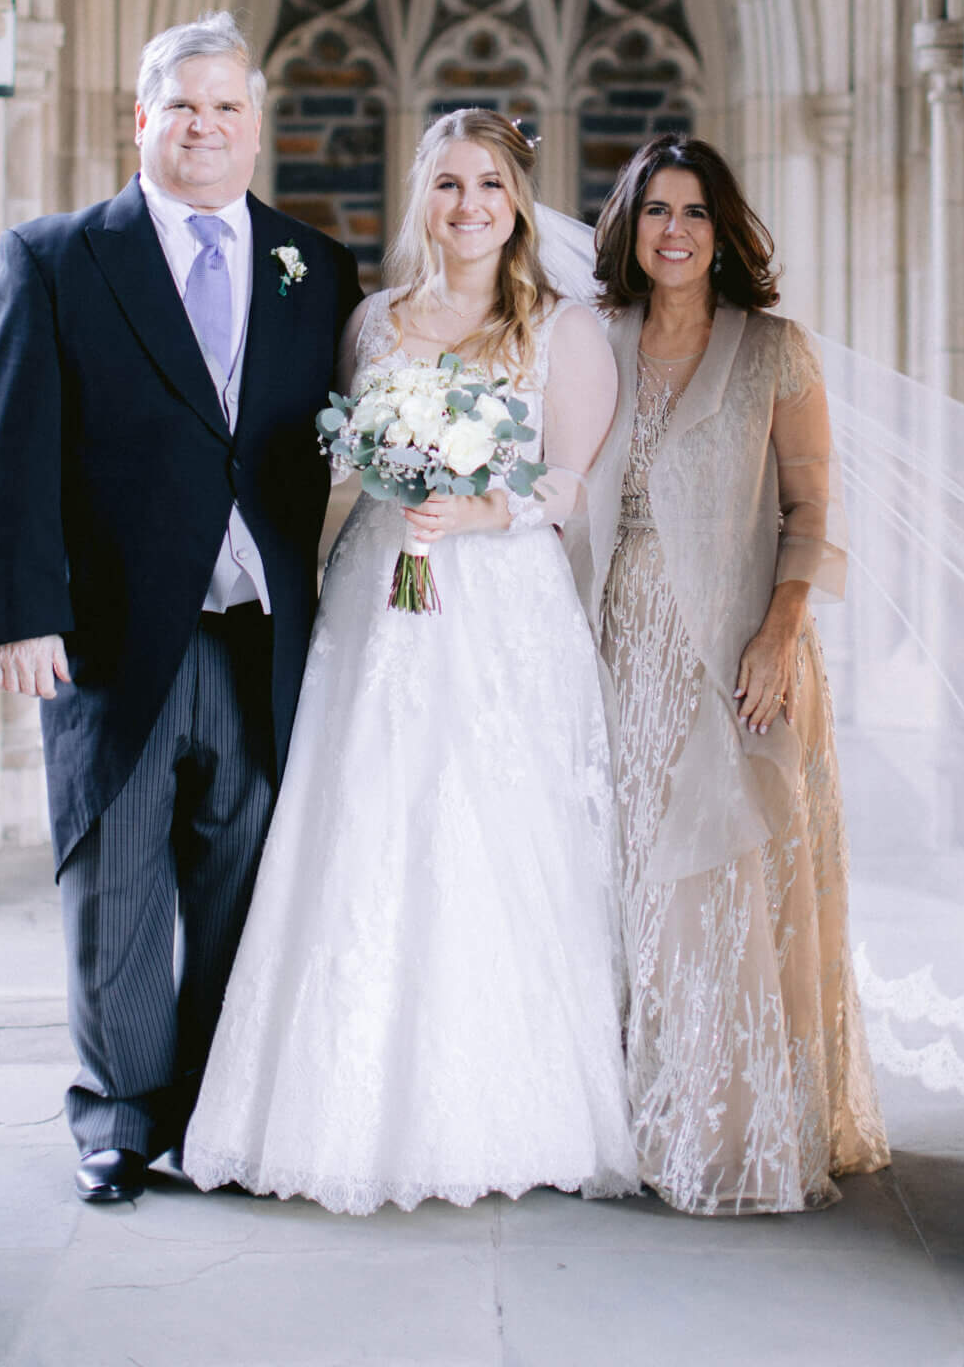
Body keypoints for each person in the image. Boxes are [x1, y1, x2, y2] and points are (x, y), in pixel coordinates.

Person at [184, 111, 638, 1212]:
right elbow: (340, 462)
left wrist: (481, 509)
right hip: (378, 602)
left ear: (520, 202)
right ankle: (327, 1108)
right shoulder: (374, 322)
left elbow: (568, 486)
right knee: (365, 823)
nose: (469, 204)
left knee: (493, 832)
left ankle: (507, 1105)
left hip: (501, 609)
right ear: (419, 197)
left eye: (490, 183)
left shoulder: (563, 330)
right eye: (447, 183)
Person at [0, 11, 362, 1205]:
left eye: (227, 107)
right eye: (183, 105)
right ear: (142, 118)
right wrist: (20, 614)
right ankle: (119, 1120)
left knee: (244, 871)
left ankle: (216, 1110)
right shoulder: (57, 258)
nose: (205, 126)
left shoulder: (313, 265)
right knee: (117, 880)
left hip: (259, 634)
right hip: (116, 637)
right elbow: (4, 452)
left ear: (255, 123)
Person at [580, 135, 888, 1214]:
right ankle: (635, 1115)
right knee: (630, 888)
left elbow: (810, 513)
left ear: (724, 230)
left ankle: (730, 1130)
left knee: (724, 889)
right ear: (630, 226)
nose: (675, 231)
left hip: (738, 647)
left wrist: (778, 632)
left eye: (696, 212)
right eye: (657, 210)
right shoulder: (591, 343)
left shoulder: (774, 351)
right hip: (618, 645)